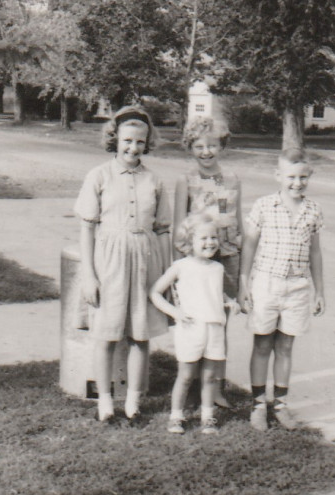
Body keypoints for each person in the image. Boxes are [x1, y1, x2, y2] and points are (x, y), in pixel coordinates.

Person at [75, 105, 171, 423]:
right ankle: (104, 402)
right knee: (107, 333)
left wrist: (167, 276)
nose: (133, 148)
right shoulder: (98, 176)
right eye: (127, 141)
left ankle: (132, 401)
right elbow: (87, 227)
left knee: (140, 335)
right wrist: (89, 275)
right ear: (115, 139)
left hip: (146, 261)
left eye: (140, 142)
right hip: (109, 263)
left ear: (147, 143)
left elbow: (161, 231)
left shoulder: (154, 181)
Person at [238, 148, 325, 431]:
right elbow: (249, 245)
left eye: (303, 177)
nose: (296, 183)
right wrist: (243, 283)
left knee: (286, 345)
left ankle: (281, 403)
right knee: (263, 343)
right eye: (291, 177)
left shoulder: (313, 211)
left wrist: (319, 291)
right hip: (266, 283)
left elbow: (315, 253)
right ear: (278, 175)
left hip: (297, 287)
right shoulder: (264, 206)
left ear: (309, 176)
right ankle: (259, 403)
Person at [173, 116, 243, 408]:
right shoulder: (185, 181)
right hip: (194, 260)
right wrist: (177, 270)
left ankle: (215, 387)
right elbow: (179, 227)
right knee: (194, 321)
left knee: (219, 322)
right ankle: (190, 384)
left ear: (221, 146)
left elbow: (236, 221)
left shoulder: (232, 180)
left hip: (226, 256)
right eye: (199, 146)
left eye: (212, 145)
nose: (206, 152)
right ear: (190, 147)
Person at [150, 213, 241, 435]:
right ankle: (176, 416)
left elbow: (215, 292)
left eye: (214, 237)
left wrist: (230, 302)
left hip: (214, 328)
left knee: (210, 376)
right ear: (189, 241)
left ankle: (207, 416)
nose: (210, 243)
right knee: (186, 375)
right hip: (191, 328)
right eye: (203, 238)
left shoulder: (217, 268)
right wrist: (175, 312)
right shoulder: (180, 266)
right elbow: (155, 292)